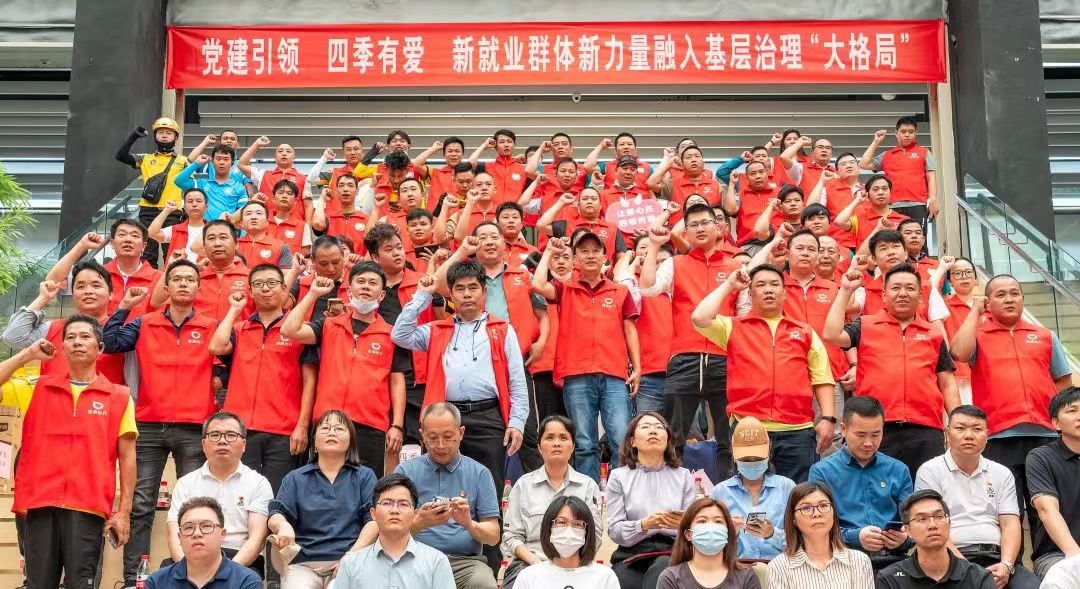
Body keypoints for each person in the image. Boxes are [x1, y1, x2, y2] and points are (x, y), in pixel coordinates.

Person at [102, 259, 219, 587]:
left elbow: (229, 359)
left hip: (194, 426)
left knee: (193, 504)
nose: (183, 283)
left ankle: (193, 576)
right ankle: (133, 578)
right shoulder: (145, 323)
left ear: (198, 288)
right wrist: (125, 307)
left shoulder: (211, 325)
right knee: (141, 503)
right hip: (149, 423)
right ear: (166, 287)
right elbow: (110, 342)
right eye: (176, 278)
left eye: (189, 279)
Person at [0, 317, 137, 589]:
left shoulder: (120, 396)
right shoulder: (37, 386)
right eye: (70, 337)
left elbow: (128, 457)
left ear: (100, 348)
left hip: (88, 506)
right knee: (38, 584)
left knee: (81, 585)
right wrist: (28, 354)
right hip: (39, 503)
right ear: (61, 348)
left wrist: (124, 512)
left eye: (85, 337)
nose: (77, 342)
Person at [691, 263, 835, 482]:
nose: (768, 289)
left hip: (797, 429)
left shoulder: (804, 331)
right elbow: (699, 318)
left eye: (775, 284)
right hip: (748, 426)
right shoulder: (733, 327)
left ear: (784, 292)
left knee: (796, 494)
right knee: (746, 491)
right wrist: (729, 285)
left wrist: (828, 418)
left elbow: (822, 378)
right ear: (750, 294)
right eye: (761, 285)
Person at [950, 274, 1074, 529]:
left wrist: (1061, 422)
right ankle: (1011, 556)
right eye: (1001, 294)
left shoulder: (1044, 335)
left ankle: (1052, 554)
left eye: (1014, 293)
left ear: (1022, 298)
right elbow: (958, 353)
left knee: (1048, 509)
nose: (1009, 299)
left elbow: (1063, 382)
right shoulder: (978, 335)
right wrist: (974, 311)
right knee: (1008, 510)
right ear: (988, 301)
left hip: (1046, 436)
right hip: (998, 437)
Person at [391, 261, 529, 489]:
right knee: (442, 486)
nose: (467, 294)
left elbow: (517, 382)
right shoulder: (437, 330)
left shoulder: (503, 329)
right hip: (445, 418)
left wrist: (517, 422)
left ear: (484, 292)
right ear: (451, 293)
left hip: (488, 417)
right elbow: (400, 335)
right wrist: (423, 295)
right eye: (460, 288)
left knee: (488, 486)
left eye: (473, 288)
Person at [823, 263, 959, 477]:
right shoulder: (865, 325)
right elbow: (831, 335)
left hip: (925, 428)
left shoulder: (933, 333)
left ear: (920, 297)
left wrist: (957, 419)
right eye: (896, 288)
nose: (903, 293)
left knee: (925, 490)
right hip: (876, 428)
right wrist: (846, 290)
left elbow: (947, 382)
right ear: (884, 295)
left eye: (910, 288)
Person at [639, 205, 742, 479]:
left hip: (725, 359)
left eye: (705, 222)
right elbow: (648, 288)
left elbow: (744, 315)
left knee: (728, 437)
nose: (699, 228)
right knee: (674, 435)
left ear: (718, 227)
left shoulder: (735, 266)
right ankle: (672, 491)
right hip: (683, 357)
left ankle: (728, 493)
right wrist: (653, 246)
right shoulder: (676, 264)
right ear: (685, 232)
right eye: (692, 224)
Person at [281, 261, 406, 476]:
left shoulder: (391, 334)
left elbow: (397, 381)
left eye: (373, 283)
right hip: (328, 422)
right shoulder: (329, 325)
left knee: (365, 487)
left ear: (382, 295)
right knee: (323, 484)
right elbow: (289, 330)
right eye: (360, 281)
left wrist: (397, 425)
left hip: (370, 425)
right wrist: (312, 294)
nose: (366, 286)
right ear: (349, 291)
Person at [531, 233, 638, 481]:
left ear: (605, 257)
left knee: (621, 439)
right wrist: (549, 251)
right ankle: (588, 495)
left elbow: (630, 330)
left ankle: (619, 492)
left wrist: (638, 367)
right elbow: (537, 285)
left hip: (614, 374)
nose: (590, 256)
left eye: (595, 251)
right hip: (576, 375)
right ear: (576, 258)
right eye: (584, 251)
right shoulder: (565, 288)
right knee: (584, 442)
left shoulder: (620, 291)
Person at [208, 264, 316, 491]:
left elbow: (310, 382)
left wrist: (302, 426)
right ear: (250, 291)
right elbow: (216, 346)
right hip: (240, 430)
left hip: (283, 430)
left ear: (284, 288)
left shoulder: (298, 331)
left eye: (271, 283)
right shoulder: (240, 329)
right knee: (238, 495)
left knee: (276, 497)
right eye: (258, 284)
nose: (265, 289)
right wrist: (234, 309)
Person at [914, 405, 1041, 589]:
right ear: (947, 433)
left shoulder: (1001, 473)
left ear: (987, 435)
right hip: (948, 558)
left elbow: (1010, 524)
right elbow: (932, 525)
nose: (969, 435)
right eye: (960, 428)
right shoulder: (930, 471)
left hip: (996, 558)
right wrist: (966, 569)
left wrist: (1006, 565)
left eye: (977, 429)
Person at [390, 403, 502, 589]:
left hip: (465, 563)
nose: (440, 445)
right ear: (422, 436)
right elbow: (390, 533)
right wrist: (420, 523)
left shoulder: (480, 473)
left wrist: (468, 523)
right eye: (433, 438)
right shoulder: (405, 472)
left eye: (448, 437)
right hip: (414, 558)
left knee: (484, 583)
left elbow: (493, 537)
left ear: (461, 433)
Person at [268, 410, 377, 589]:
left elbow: (374, 522)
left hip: (351, 559)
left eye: (339, 429)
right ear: (314, 441)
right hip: (303, 565)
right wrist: (283, 526)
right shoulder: (295, 478)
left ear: (351, 441)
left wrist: (350, 558)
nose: (332, 432)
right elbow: (276, 514)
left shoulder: (364, 476)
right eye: (325, 428)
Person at [808, 397, 913, 570]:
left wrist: (904, 538)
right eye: (861, 435)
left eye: (876, 434)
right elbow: (816, 527)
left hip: (894, 561)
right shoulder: (822, 472)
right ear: (843, 429)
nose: (868, 443)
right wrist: (855, 537)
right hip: (842, 560)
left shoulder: (898, 470)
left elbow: (912, 522)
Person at [501, 416, 602, 589]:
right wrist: (535, 562)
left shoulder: (588, 486)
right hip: (530, 564)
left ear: (573, 446)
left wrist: (568, 565)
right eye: (549, 437)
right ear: (539, 447)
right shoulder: (523, 485)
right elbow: (511, 536)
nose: (556, 443)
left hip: (575, 565)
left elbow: (595, 535)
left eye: (563, 438)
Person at [166, 413, 273, 576]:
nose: (222, 441)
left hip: (239, 559)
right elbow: (174, 533)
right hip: (192, 559)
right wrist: (188, 570)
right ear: (204, 444)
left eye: (231, 435)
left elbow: (257, 538)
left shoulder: (258, 483)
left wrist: (224, 573)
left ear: (243, 444)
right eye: (215, 435)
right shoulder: (186, 483)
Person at [364, 224, 439, 448]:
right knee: (385, 442)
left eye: (399, 247)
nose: (397, 253)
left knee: (420, 439)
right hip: (379, 373)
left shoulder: (422, 283)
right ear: (375, 257)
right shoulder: (368, 289)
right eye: (389, 249)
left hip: (417, 374)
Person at [607, 412, 697, 589]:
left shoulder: (684, 476)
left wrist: (683, 524)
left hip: (673, 550)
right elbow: (614, 530)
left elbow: (695, 528)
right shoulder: (618, 477)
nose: (653, 431)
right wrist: (643, 525)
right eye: (646, 427)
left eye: (659, 427)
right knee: (622, 579)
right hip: (632, 552)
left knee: (663, 569)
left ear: (667, 439)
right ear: (633, 441)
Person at [2, 260, 127, 385]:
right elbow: (12, 336)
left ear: (111, 293)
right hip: (53, 396)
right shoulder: (54, 328)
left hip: (104, 397)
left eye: (96, 285)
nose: (88, 291)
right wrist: (43, 298)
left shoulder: (122, 330)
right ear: (73, 294)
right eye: (81, 286)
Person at [335, 473, 455, 589]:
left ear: (415, 514)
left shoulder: (436, 561)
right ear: (373, 513)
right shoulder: (351, 564)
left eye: (403, 504)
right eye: (387, 503)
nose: (395, 510)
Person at [710, 418, 795, 560]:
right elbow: (711, 544)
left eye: (758, 459)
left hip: (778, 566)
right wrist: (731, 533)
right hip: (736, 566)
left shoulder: (787, 487)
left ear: (768, 452)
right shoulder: (720, 492)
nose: (752, 463)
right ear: (733, 455)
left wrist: (772, 534)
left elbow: (801, 539)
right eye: (745, 460)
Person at [875, 490, 996, 588]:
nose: (932, 525)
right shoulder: (890, 579)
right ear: (908, 530)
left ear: (949, 523)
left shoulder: (979, 577)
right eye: (922, 519)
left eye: (939, 516)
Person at [765, 481, 874, 588]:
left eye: (823, 505)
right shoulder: (779, 567)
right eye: (806, 508)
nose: (817, 513)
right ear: (793, 519)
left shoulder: (859, 561)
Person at [45, 222, 161, 318]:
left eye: (135, 236)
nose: (128, 239)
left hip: (142, 338)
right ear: (112, 243)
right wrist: (81, 246)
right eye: (122, 234)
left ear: (144, 246)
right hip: (98, 336)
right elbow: (53, 281)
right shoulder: (95, 274)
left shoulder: (160, 279)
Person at [115, 117, 189, 267]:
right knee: (147, 254)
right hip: (148, 211)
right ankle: (148, 281)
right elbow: (121, 156)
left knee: (172, 253)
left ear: (175, 137)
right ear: (155, 136)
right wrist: (134, 136)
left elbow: (191, 186)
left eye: (169, 133)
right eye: (160, 132)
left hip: (173, 212)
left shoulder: (183, 161)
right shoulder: (145, 159)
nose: (164, 135)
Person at [613, 236, 674, 415]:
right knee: (646, 427)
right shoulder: (638, 290)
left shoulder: (681, 291)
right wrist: (630, 261)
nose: (658, 266)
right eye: (654, 261)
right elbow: (621, 283)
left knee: (687, 432)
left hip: (682, 375)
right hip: (648, 376)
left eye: (664, 262)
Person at [148, 220, 253, 322]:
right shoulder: (194, 280)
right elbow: (157, 303)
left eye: (223, 237)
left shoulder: (252, 278)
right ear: (204, 246)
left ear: (236, 244)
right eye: (211, 238)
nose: (217, 243)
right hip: (198, 333)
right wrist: (171, 266)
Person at [147, 497, 262, 589]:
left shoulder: (246, 581)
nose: (197, 533)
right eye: (188, 527)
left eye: (206, 526)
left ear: (222, 534)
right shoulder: (157, 582)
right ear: (180, 538)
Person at [1025, 387, 1080, 577]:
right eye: (1072, 410)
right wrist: (1076, 557)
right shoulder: (1041, 458)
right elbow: (1047, 511)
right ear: (1056, 423)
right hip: (1057, 554)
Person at [513, 496, 619, 589]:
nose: (569, 530)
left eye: (577, 524)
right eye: (561, 522)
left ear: (587, 531)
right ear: (548, 528)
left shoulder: (605, 577)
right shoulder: (528, 577)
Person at [658, 497, 760, 589]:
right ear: (688, 534)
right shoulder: (670, 578)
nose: (711, 527)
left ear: (727, 532)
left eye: (718, 521)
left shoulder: (747, 577)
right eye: (702, 521)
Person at [859, 117, 938, 227]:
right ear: (896, 133)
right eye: (903, 131)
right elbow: (863, 164)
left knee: (917, 237)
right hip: (891, 206)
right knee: (892, 238)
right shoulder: (887, 155)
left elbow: (931, 177)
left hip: (917, 205)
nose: (907, 135)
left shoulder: (924, 152)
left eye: (911, 132)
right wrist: (876, 142)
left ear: (915, 134)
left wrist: (933, 200)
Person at [237, 136, 314, 223]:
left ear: (294, 158)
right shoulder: (263, 175)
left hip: (295, 226)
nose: (284, 154)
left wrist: (307, 227)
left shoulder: (303, 179)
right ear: (275, 157)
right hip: (266, 225)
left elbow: (308, 205)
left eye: (288, 151)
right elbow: (241, 164)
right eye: (280, 151)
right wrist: (256, 145)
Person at [832, 176, 909, 257]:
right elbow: (839, 222)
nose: (880, 192)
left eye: (884, 189)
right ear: (867, 195)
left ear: (890, 193)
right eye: (875, 189)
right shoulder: (859, 218)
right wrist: (857, 200)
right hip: (865, 263)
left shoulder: (903, 220)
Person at [174, 145, 253, 222]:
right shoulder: (201, 183)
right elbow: (179, 181)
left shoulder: (239, 188)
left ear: (232, 162)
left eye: (226, 159)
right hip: (204, 229)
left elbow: (243, 214)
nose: (222, 162)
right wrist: (197, 163)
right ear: (212, 161)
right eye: (218, 159)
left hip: (227, 230)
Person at [648, 144, 723, 207]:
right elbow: (650, 183)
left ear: (703, 163)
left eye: (697, 156)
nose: (693, 160)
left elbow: (726, 211)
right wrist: (669, 164)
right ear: (682, 164)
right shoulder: (673, 184)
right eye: (688, 157)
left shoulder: (716, 186)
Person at [468, 129, 528, 204]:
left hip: (514, 210)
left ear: (514, 145)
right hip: (491, 209)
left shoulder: (524, 169)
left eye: (509, 141)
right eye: (502, 142)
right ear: (495, 146)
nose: (506, 145)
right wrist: (484, 145)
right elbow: (470, 163)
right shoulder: (486, 166)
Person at [148, 189, 209, 263]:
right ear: (184, 207)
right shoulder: (176, 229)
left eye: (199, 201)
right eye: (190, 201)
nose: (194, 204)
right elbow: (152, 233)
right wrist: (166, 210)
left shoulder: (212, 230)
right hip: (177, 270)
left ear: (206, 206)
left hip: (205, 269)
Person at [584, 132, 652, 192]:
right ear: (616, 150)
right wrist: (601, 146)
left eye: (629, 144)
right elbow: (588, 167)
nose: (626, 147)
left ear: (635, 148)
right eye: (622, 144)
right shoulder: (607, 166)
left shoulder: (647, 168)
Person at [235, 201, 293, 269]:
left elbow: (286, 274)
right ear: (242, 223)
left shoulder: (281, 247)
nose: (253, 217)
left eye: (259, 213)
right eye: (248, 214)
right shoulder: (233, 245)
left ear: (267, 222)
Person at [266, 179, 314, 256]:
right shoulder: (264, 222)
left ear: (295, 201)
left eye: (289, 193)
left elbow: (305, 252)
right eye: (280, 193)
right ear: (273, 199)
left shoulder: (303, 226)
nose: (284, 196)